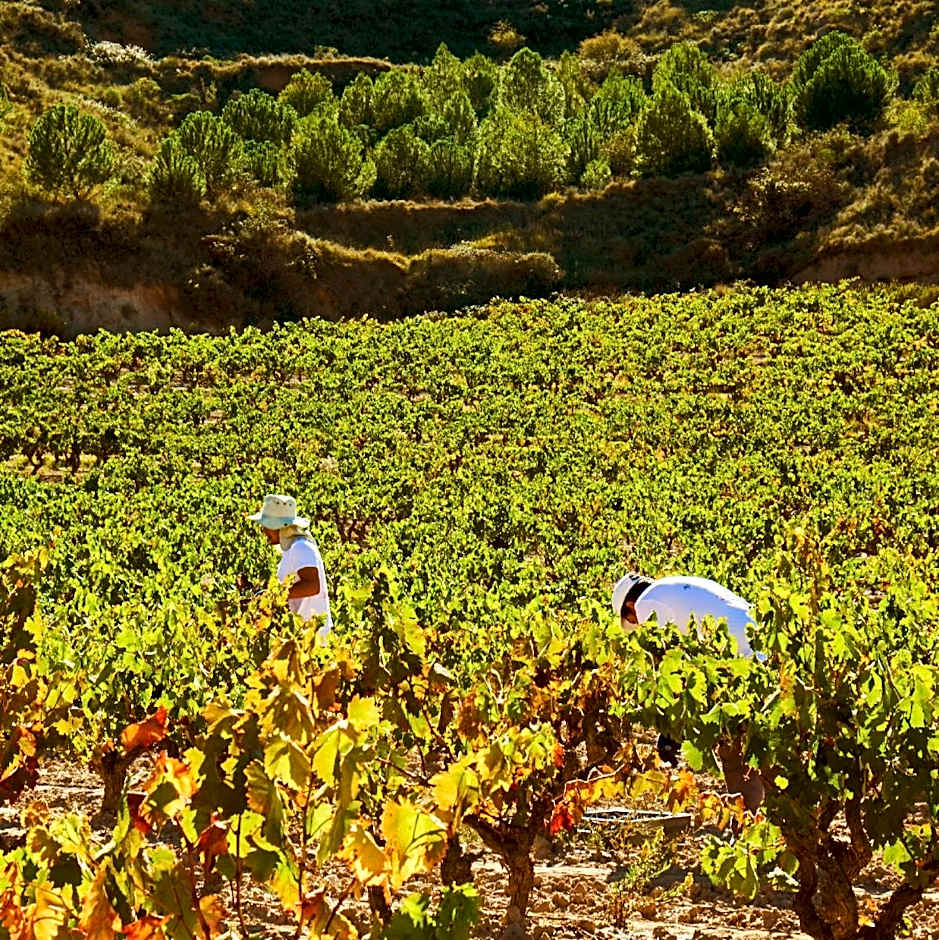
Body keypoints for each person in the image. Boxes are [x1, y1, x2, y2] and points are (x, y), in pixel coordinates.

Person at [611, 571, 763, 811]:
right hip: (759, 646)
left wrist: (671, 730)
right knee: (756, 743)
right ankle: (766, 819)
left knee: (732, 746)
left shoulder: (646, 603)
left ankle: (749, 823)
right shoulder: (675, 588)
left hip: (742, 659)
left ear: (630, 605)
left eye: (632, 620)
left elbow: (674, 667)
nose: (638, 624)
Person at [248, 494, 333, 638]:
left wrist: (274, 595)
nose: (264, 531)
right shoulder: (292, 549)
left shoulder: (301, 547)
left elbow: (313, 585)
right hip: (300, 633)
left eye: (267, 527)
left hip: (312, 637)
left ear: (279, 527)